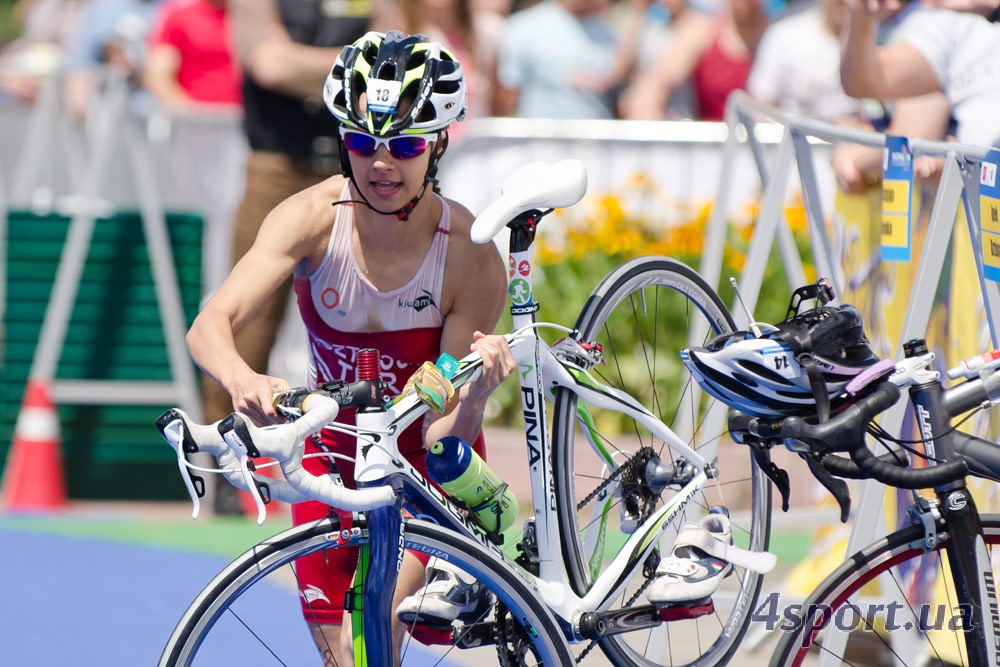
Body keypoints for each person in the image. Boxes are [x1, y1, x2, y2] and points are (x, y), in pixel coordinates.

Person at [185, 29, 513, 663]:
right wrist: (241, 378)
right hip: (327, 461)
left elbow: (446, 419)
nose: (381, 164)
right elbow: (210, 323)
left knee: (379, 629)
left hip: (425, 463)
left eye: (405, 146)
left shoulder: (469, 253)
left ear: (438, 144)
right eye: (363, 143)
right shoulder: (309, 217)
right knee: (343, 657)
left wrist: (472, 403)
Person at [200, 0, 382, 515]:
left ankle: (353, 452)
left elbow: (397, 56)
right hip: (279, 165)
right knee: (246, 322)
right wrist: (353, 69)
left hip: (356, 167)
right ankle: (219, 459)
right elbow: (268, 64)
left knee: (370, 312)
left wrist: (306, 64)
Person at [840, 0, 1000, 149]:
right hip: (980, 173)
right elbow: (865, 83)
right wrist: (860, 19)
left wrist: (857, 156)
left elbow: (913, 136)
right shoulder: (954, 23)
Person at [619, 0, 776, 121]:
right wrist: (646, 110)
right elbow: (658, 80)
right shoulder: (703, 31)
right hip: (709, 149)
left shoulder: (779, 35)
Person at [494, 0, 620, 119]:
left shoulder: (608, 34)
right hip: (540, 138)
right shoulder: (524, 26)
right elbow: (506, 97)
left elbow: (617, 99)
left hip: (597, 138)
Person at [747, 0, 861, 124]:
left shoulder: (879, 41)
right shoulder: (784, 36)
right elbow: (762, 109)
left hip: (860, 140)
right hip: (796, 139)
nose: (848, 2)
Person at [142, 0, 241, 111]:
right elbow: (157, 77)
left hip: (245, 118)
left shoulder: (249, 18)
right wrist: (190, 113)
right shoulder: (180, 15)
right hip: (196, 118)